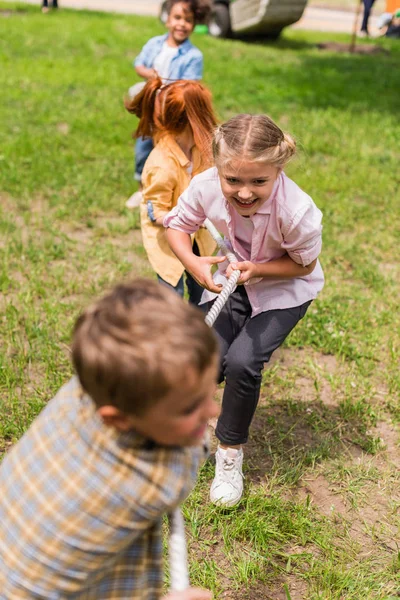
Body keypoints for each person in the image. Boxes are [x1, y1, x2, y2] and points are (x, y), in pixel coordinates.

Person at [0, 279, 219, 599]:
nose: (213, 410)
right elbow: (189, 457)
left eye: (211, 388)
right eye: (189, 408)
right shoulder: (152, 483)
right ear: (117, 417)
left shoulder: (88, 388)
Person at [164, 114, 324, 507]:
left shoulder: (298, 212)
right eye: (233, 180)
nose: (246, 192)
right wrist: (194, 263)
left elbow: (303, 264)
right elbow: (177, 226)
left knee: (242, 362)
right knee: (208, 360)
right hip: (233, 280)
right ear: (217, 167)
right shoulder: (204, 186)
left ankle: (229, 454)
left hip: (285, 288)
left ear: (278, 170)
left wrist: (260, 270)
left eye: (259, 182)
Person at [125, 77, 217, 304]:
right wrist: (195, 218)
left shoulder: (201, 151)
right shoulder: (161, 164)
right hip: (168, 245)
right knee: (171, 299)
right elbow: (156, 213)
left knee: (202, 294)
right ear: (193, 118)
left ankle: (199, 331)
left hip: (200, 240)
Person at [126, 0, 210, 209]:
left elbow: (189, 85)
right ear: (167, 19)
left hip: (172, 112)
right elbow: (139, 64)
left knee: (171, 150)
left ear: (194, 23)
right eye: (177, 18)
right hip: (150, 109)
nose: (182, 24)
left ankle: (173, 192)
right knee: (143, 148)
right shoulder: (155, 43)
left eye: (188, 20)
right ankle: (141, 189)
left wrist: (167, 88)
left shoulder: (193, 56)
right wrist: (151, 75)